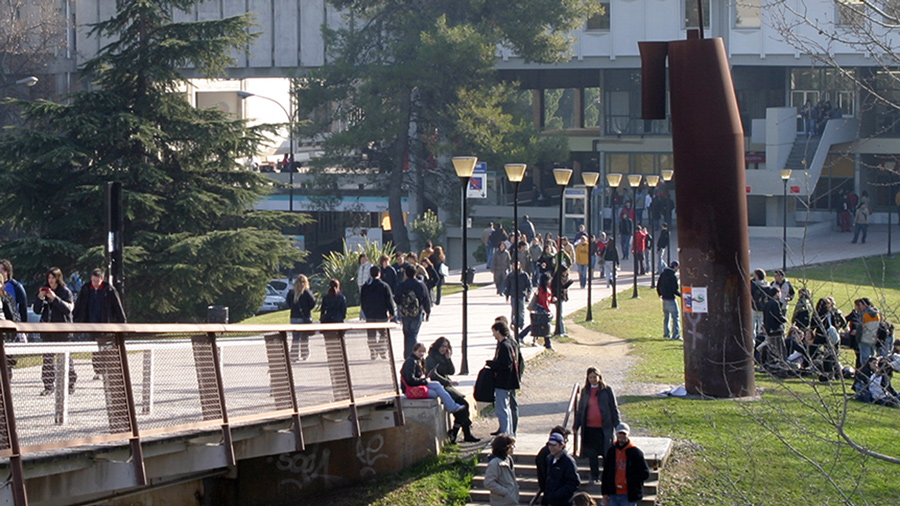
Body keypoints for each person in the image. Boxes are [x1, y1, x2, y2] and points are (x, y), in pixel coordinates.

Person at [72, 268, 127, 381]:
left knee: (106, 348)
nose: (95, 284)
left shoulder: (109, 290)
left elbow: (117, 308)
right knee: (96, 348)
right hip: (91, 323)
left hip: (105, 324)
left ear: (102, 279)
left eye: (97, 281)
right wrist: (75, 319)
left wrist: (122, 323)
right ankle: (98, 370)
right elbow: (79, 306)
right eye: (93, 281)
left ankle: (107, 369)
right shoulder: (86, 289)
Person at [426, 337, 480, 443]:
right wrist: (448, 382)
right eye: (442, 346)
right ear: (437, 346)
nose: (443, 349)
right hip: (439, 386)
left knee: (463, 406)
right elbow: (433, 375)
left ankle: (455, 432)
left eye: (446, 346)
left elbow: (451, 371)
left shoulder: (443, 357)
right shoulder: (430, 358)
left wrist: (448, 358)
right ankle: (461, 433)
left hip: (447, 384)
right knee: (463, 406)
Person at [573, 366, 620, 485]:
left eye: (595, 377)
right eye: (590, 377)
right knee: (592, 454)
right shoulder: (585, 391)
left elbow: (613, 408)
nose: (593, 380)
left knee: (606, 452)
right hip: (589, 428)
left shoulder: (607, 390)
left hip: (604, 427)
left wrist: (618, 426)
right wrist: (576, 425)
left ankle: (607, 476)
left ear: (599, 377)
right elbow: (580, 410)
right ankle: (594, 475)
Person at [35, 267, 76, 396]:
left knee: (65, 358)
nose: (50, 281)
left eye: (53, 278)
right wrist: (40, 298)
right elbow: (37, 310)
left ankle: (70, 383)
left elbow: (67, 309)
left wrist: (54, 298)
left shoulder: (65, 292)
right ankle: (48, 385)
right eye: (49, 278)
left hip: (62, 331)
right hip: (47, 330)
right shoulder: (45, 290)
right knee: (47, 358)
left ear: (58, 278)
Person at [400, 342, 465, 412]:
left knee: (437, 384)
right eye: (419, 351)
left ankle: (453, 406)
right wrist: (424, 381)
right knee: (436, 393)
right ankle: (452, 407)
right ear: (414, 351)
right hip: (410, 390)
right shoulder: (410, 361)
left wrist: (425, 378)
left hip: (419, 385)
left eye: (423, 352)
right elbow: (410, 380)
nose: (421, 354)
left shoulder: (420, 361)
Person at [601, 423, 651, 506]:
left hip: (628, 495)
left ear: (628, 434)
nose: (621, 436)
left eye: (624, 434)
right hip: (613, 494)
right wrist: (604, 493)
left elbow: (645, 473)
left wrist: (628, 480)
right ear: (616, 434)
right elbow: (606, 473)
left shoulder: (635, 453)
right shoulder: (611, 451)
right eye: (619, 433)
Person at [486, 320, 520, 436]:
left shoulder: (504, 346)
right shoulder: (507, 344)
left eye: (494, 331)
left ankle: (505, 434)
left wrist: (492, 364)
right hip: (507, 382)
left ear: (498, 331)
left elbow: (506, 364)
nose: (493, 334)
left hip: (503, 382)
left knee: (502, 409)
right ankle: (509, 433)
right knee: (506, 408)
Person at [396, 264, 431, 358]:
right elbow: (426, 298)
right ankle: (413, 355)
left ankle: (407, 354)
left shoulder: (402, 285)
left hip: (405, 313)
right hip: (417, 312)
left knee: (407, 334)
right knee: (413, 334)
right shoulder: (420, 284)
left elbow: (397, 299)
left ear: (406, 274)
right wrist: (428, 311)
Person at [360, 266, 394, 360]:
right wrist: (392, 312)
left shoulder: (365, 287)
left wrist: (365, 311)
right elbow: (389, 300)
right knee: (384, 333)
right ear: (379, 274)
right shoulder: (384, 286)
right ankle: (381, 349)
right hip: (381, 313)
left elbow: (362, 301)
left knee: (371, 334)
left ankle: (373, 351)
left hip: (370, 313)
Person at [541, 431, 580, 506]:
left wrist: (557, 495)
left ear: (561, 445)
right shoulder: (550, 459)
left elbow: (574, 483)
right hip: (550, 501)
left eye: (554, 445)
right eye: (550, 445)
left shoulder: (568, 461)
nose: (551, 448)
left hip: (563, 502)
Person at [536, 427, 572, 502]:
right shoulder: (548, 457)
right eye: (565, 438)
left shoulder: (566, 460)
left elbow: (573, 482)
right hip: (551, 495)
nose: (566, 441)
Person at [286, 274, 316, 361]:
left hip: (294, 317)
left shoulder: (291, 292)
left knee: (295, 337)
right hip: (304, 317)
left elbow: (288, 303)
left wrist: (293, 308)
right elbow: (313, 301)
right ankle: (304, 353)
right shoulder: (306, 292)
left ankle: (294, 355)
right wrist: (307, 309)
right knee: (304, 337)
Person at [484, 433, 519, 506]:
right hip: (501, 502)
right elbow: (489, 483)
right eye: (511, 445)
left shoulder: (508, 459)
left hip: (511, 501)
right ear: (504, 447)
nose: (513, 447)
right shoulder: (494, 463)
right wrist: (505, 492)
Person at [762, 286, 787, 369]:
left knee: (771, 348)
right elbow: (778, 316)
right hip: (776, 330)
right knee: (781, 349)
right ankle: (783, 365)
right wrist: (785, 320)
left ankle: (771, 365)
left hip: (769, 330)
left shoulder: (766, 304)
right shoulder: (775, 303)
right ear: (777, 293)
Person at [657, 261, 681, 341]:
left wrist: (660, 294)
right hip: (671, 299)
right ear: (675, 267)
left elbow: (658, 285)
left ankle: (666, 334)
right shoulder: (673, 276)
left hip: (664, 299)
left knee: (666, 317)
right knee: (675, 316)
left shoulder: (663, 274)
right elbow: (675, 290)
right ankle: (676, 335)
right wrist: (682, 295)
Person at [750, 268, 768, 337]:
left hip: (754, 307)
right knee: (761, 326)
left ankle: (752, 341)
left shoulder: (753, 284)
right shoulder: (767, 284)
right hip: (763, 308)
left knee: (752, 326)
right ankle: (760, 339)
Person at [356, 254, 372, 320]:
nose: (362, 260)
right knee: (362, 301)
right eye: (361, 259)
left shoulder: (369, 266)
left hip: (367, 287)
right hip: (361, 286)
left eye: (364, 259)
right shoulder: (360, 267)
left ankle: (367, 315)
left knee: (367, 301)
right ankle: (362, 315)